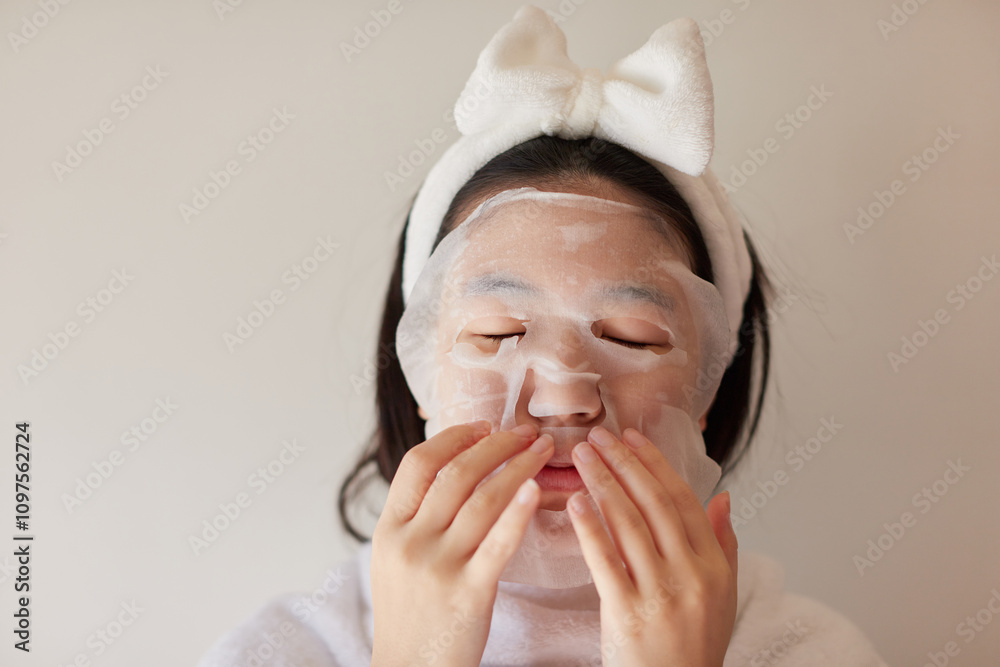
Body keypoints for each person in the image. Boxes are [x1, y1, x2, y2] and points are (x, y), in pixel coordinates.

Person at [197, 6, 889, 666]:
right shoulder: (285, 651)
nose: (562, 396)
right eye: (497, 331)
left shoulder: (809, 652)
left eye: (633, 337)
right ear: (419, 376)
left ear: (706, 389)